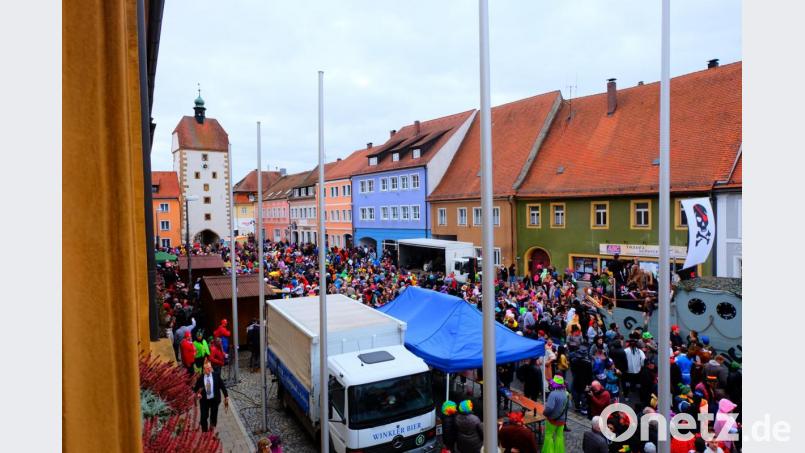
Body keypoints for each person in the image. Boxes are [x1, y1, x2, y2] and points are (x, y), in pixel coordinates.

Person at [194, 361, 229, 432]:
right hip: (204, 401)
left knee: (213, 416)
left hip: (214, 400)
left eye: (210, 367)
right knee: (203, 417)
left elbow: (222, 386)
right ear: (204, 369)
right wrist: (198, 394)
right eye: (207, 368)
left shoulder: (216, 375)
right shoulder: (200, 378)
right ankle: (204, 432)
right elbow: (195, 389)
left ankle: (211, 431)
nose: (209, 369)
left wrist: (226, 396)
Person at [542, 376, 570, 453]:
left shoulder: (553, 394)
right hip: (562, 420)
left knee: (549, 435)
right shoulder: (566, 393)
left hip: (552, 420)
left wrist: (544, 413)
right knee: (559, 436)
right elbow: (569, 405)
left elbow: (549, 408)